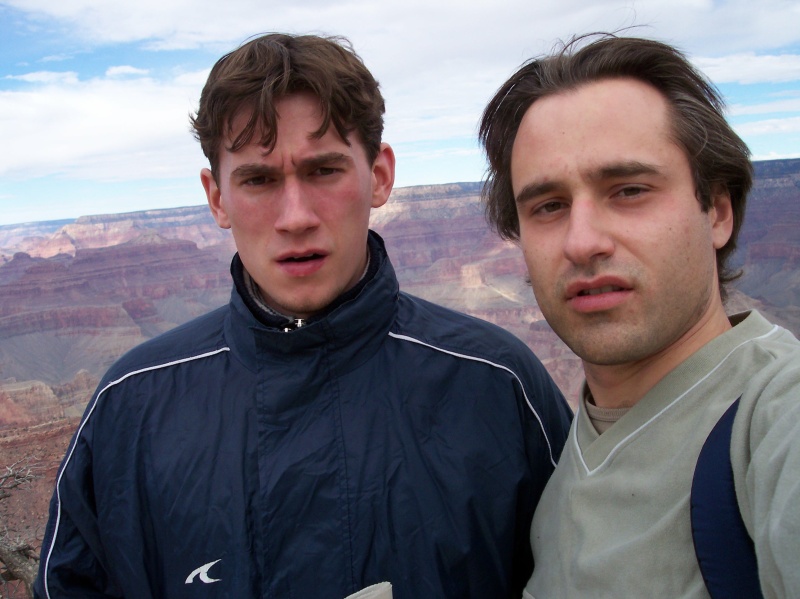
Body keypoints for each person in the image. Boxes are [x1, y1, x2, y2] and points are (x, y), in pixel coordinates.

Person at [34, 33, 571, 599]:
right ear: (216, 197)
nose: (295, 217)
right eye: (259, 179)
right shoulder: (129, 407)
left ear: (379, 176)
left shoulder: (497, 386)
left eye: (323, 171)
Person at [479, 35, 800, 598]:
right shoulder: (564, 466)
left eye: (629, 190)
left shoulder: (776, 419)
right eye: (549, 206)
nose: (582, 242)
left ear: (717, 212)